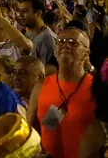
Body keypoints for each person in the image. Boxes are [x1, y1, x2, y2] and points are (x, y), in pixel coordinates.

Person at [28, 24, 96, 158]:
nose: (65, 45)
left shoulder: (97, 88)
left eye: (73, 42)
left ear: (86, 54)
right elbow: (32, 130)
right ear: (55, 51)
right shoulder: (41, 86)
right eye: (60, 42)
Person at [18, 0, 58, 68]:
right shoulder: (29, 32)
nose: (20, 15)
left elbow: (45, 72)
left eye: (25, 11)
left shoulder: (46, 39)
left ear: (38, 13)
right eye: (20, 11)